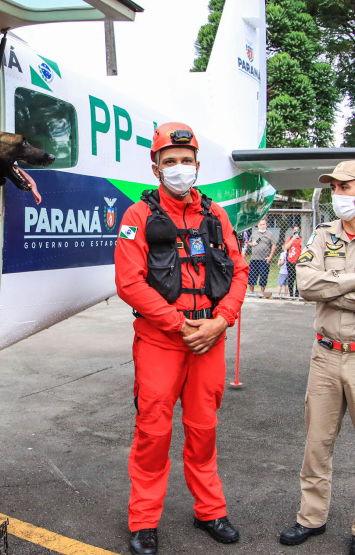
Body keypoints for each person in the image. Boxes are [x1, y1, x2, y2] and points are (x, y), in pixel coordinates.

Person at [114, 122, 249, 555]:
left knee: (204, 429)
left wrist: (221, 320)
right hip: (161, 341)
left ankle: (210, 510)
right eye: (169, 161)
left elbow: (239, 272)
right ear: (155, 167)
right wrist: (178, 323)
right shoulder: (137, 218)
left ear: (197, 165)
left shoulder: (216, 215)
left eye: (185, 160)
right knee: (153, 432)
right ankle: (144, 520)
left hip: (210, 338)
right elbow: (129, 283)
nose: (178, 168)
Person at [279, 161, 355, 555]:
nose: (338, 194)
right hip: (325, 356)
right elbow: (304, 284)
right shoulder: (322, 235)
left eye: (345, 186)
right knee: (317, 444)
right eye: (334, 187)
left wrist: (330, 289)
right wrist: (354, 280)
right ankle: (310, 518)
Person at [247, 219, 276, 297]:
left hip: (264, 259)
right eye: (260, 224)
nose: (262, 226)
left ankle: (262, 292)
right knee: (252, 275)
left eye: (263, 224)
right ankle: (251, 292)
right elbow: (247, 243)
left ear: (266, 225)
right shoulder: (254, 233)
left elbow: (274, 245)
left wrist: (270, 257)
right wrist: (252, 244)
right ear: (258, 225)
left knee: (263, 275)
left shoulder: (270, 234)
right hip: (254, 258)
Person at [284, 226, 303, 297]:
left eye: (298, 230)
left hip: (298, 260)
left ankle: (297, 294)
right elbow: (286, 247)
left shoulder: (301, 239)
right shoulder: (289, 238)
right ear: (292, 231)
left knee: (298, 278)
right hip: (290, 260)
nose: (296, 231)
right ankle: (291, 294)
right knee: (291, 278)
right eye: (295, 230)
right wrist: (293, 239)